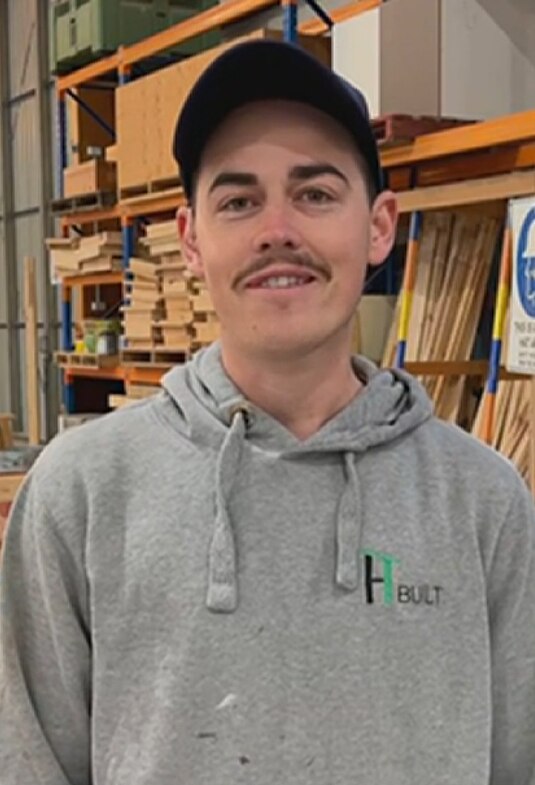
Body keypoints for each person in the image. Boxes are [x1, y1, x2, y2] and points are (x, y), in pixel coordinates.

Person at [1, 38, 535, 785]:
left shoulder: (482, 503)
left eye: (314, 193)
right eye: (238, 199)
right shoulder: (81, 495)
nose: (276, 228)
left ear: (378, 226)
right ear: (191, 238)